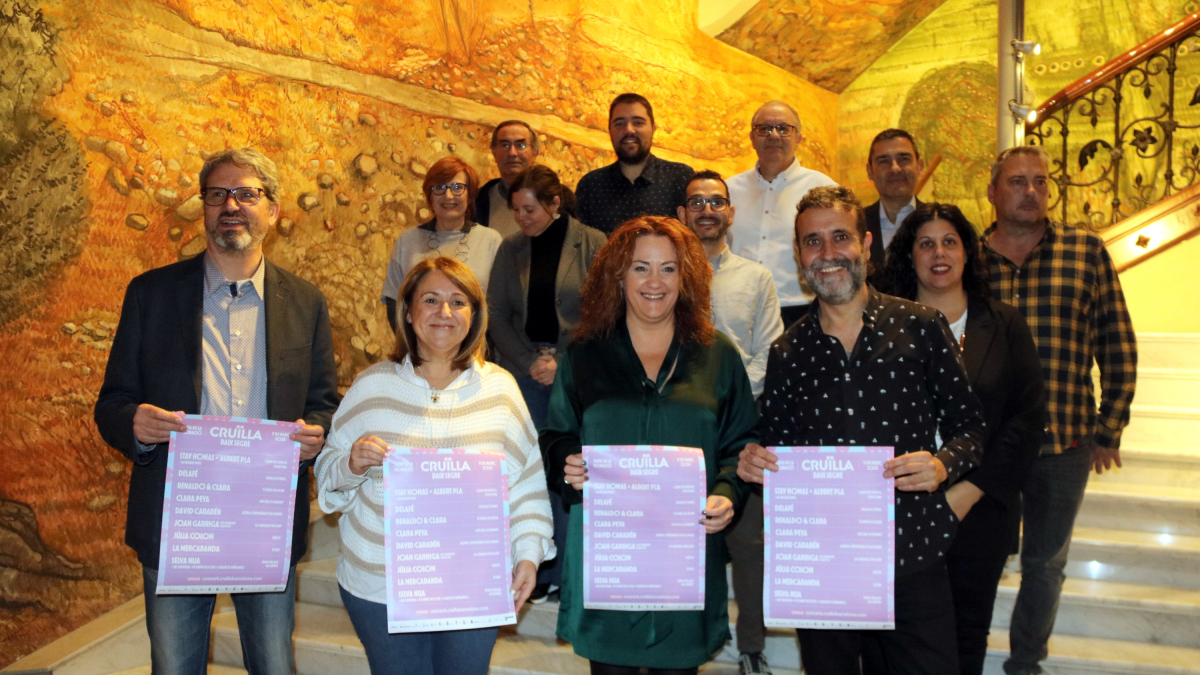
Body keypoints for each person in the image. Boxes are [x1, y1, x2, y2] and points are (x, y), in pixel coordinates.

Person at [94, 148, 340, 674]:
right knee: (174, 665)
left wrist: (315, 434)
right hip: (178, 518)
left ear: (273, 210)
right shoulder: (150, 294)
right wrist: (134, 424)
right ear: (204, 207)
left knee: (272, 663)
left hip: (266, 516)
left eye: (247, 194)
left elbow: (322, 402)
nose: (231, 205)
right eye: (217, 194)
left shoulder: (306, 302)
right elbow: (112, 402)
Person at [738, 186, 986, 675]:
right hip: (822, 562)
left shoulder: (921, 326)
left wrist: (941, 465)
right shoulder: (787, 353)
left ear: (866, 245)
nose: (827, 253)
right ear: (799, 255)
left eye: (840, 237)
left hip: (912, 552)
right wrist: (756, 461)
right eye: (812, 242)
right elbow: (776, 452)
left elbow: (971, 428)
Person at [540, 216, 759, 674]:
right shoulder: (584, 353)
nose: (654, 282)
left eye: (668, 268)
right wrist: (567, 463)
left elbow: (740, 443)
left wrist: (727, 493)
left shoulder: (718, 354)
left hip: (685, 557)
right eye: (640, 268)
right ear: (619, 276)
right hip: (609, 559)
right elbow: (557, 434)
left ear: (686, 277)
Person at [316, 256, 555, 674]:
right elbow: (327, 472)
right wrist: (351, 463)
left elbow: (526, 486)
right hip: (380, 588)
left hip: (473, 584)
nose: (444, 312)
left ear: (474, 315)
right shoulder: (372, 385)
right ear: (408, 312)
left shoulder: (500, 389)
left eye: (458, 302)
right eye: (430, 300)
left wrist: (529, 555)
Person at [981, 146, 1137, 675]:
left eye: (1041, 182)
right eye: (1017, 181)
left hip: (1063, 440)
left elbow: (1117, 342)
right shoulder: (970, 260)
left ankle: (1026, 662)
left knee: (1045, 564)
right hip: (987, 446)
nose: (1031, 191)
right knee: (979, 556)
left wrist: (1109, 428)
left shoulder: (1086, 252)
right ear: (992, 192)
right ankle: (961, 654)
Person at [879, 203, 1047, 675]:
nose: (939, 253)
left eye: (949, 242)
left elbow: (1027, 420)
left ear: (968, 253)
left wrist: (967, 492)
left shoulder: (1004, 323)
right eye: (926, 243)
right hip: (897, 506)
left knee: (966, 636)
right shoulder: (881, 325)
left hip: (981, 508)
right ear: (908, 256)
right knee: (898, 639)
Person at [676, 170, 782, 675]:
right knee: (686, 536)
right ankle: (688, 641)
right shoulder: (664, 278)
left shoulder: (756, 278)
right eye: (697, 202)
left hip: (741, 427)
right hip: (681, 429)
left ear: (731, 212)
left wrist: (731, 399)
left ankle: (751, 645)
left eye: (716, 201)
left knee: (748, 542)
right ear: (682, 214)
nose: (707, 210)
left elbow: (768, 352)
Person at [486, 164, 605, 602]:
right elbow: (496, 314)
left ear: (555, 204)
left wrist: (563, 362)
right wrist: (529, 360)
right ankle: (537, 566)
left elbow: (604, 312)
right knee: (532, 470)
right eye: (516, 210)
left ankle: (571, 571)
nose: (521, 218)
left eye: (529, 209)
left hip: (578, 371)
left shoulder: (592, 242)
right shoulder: (511, 248)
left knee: (572, 469)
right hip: (525, 371)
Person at [727, 100, 838, 328]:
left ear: (798, 138)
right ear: (752, 137)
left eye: (784, 128)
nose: (774, 135)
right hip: (737, 311)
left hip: (801, 313)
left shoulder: (824, 189)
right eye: (764, 128)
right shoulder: (728, 191)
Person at [381, 156, 503, 331]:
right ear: (429, 195)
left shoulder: (490, 241)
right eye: (439, 188)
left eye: (457, 187)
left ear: (470, 195)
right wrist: (413, 343)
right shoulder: (408, 240)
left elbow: (500, 307)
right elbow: (395, 301)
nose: (448, 195)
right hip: (421, 343)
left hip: (476, 343)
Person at [575, 93, 694, 234]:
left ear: (653, 129)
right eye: (619, 123)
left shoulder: (681, 178)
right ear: (610, 130)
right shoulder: (590, 186)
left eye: (638, 122)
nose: (629, 130)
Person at [863, 128, 926, 288]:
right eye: (884, 161)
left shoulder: (939, 223)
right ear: (870, 171)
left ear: (919, 166)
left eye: (903, 159)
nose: (895, 168)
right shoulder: (855, 225)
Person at [476, 120, 540, 238]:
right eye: (505, 145)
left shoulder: (557, 200)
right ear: (494, 152)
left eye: (521, 145)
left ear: (535, 152)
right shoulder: (476, 201)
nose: (512, 153)